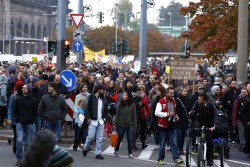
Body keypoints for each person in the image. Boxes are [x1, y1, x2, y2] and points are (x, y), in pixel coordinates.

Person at [155, 87, 183, 165]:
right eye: (170, 93)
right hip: (163, 126)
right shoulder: (161, 101)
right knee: (162, 144)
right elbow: (156, 113)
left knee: (174, 143)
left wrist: (176, 116)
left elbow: (173, 112)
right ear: (166, 93)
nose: (172, 95)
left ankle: (176, 158)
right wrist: (167, 114)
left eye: (173, 93)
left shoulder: (174, 101)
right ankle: (160, 159)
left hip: (172, 125)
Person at [189, 93, 218, 166]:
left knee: (209, 141)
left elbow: (215, 114)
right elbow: (193, 109)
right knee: (196, 131)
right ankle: (196, 144)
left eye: (200, 99)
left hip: (209, 123)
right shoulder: (197, 103)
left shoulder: (211, 105)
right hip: (200, 121)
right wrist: (191, 112)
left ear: (204, 100)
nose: (198, 100)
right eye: (198, 99)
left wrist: (215, 125)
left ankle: (210, 159)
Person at [82, 84, 108, 160]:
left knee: (99, 138)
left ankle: (98, 153)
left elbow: (106, 110)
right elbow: (86, 109)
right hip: (92, 120)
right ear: (98, 90)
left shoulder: (104, 99)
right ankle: (85, 148)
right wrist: (88, 119)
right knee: (90, 137)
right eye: (103, 90)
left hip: (101, 121)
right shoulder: (90, 97)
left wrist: (105, 118)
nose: (104, 92)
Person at [14, 84, 37, 166]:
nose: (24, 89)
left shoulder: (33, 100)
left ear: (29, 89)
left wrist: (32, 119)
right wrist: (17, 120)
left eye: (26, 88)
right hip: (20, 123)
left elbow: (35, 112)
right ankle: (19, 158)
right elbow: (15, 111)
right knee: (19, 140)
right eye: (23, 88)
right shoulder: (18, 100)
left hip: (30, 123)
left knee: (28, 143)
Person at [114, 91, 137, 158]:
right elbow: (117, 114)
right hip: (120, 123)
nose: (124, 96)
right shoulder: (120, 104)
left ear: (128, 96)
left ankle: (130, 153)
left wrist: (134, 126)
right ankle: (116, 149)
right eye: (123, 95)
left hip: (129, 124)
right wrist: (115, 124)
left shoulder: (132, 105)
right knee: (120, 137)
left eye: (125, 95)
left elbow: (134, 116)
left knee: (129, 138)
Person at [7, 81, 23, 154]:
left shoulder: (24, 95)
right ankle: (16, 148)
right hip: (14, 118)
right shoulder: (13, 96)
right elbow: (10, 107)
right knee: (16, 134)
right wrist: (9, 118)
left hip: (23, 118)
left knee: (19, 134)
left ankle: (17, 147)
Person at [175, 86, 189, 155]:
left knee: (183, 136)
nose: (185, 92)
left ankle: (181, 149)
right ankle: (177, 148)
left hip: (185, 120)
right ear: (180, 92)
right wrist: (176, 116)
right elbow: (174, 109)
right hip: (178, 120)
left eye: (186, 91)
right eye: (184, 91)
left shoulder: (187, 99)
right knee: (179, 135)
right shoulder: (177, 100)